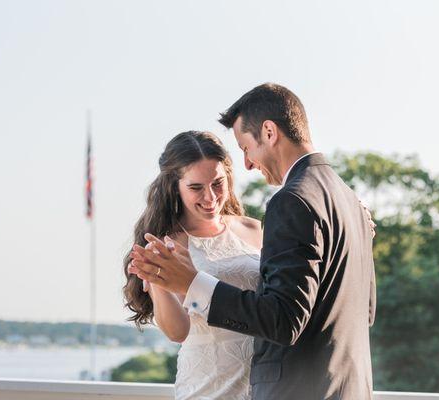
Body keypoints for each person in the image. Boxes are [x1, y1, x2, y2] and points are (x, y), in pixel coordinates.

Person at [130, 83, 377, 400]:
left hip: (296, 388)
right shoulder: (349, 201)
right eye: (196, 187)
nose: (247, 163)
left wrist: (193, 283)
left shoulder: (291, 202)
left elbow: (285, 319)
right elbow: (364, 310)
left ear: (269, 133)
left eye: (246, 148)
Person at [123, 130, 264, 399]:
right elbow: (178, 332)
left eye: (218, 183)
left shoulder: (253, 229)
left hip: (264, 387)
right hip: (207, 388)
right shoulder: (167, 245)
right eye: (196, 187)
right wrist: (155, 280)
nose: (210, 197)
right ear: (174, 186)